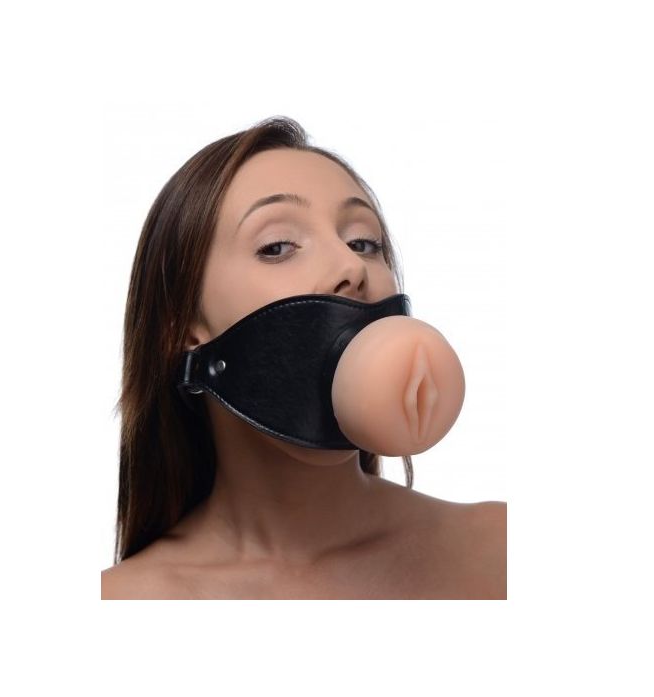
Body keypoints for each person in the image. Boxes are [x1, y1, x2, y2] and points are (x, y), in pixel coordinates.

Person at [101, 116, 506, 599]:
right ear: (182, 331)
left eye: (364, 243)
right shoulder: (127, 599)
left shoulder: (500, 549)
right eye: (277, 247)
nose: (351, 266)